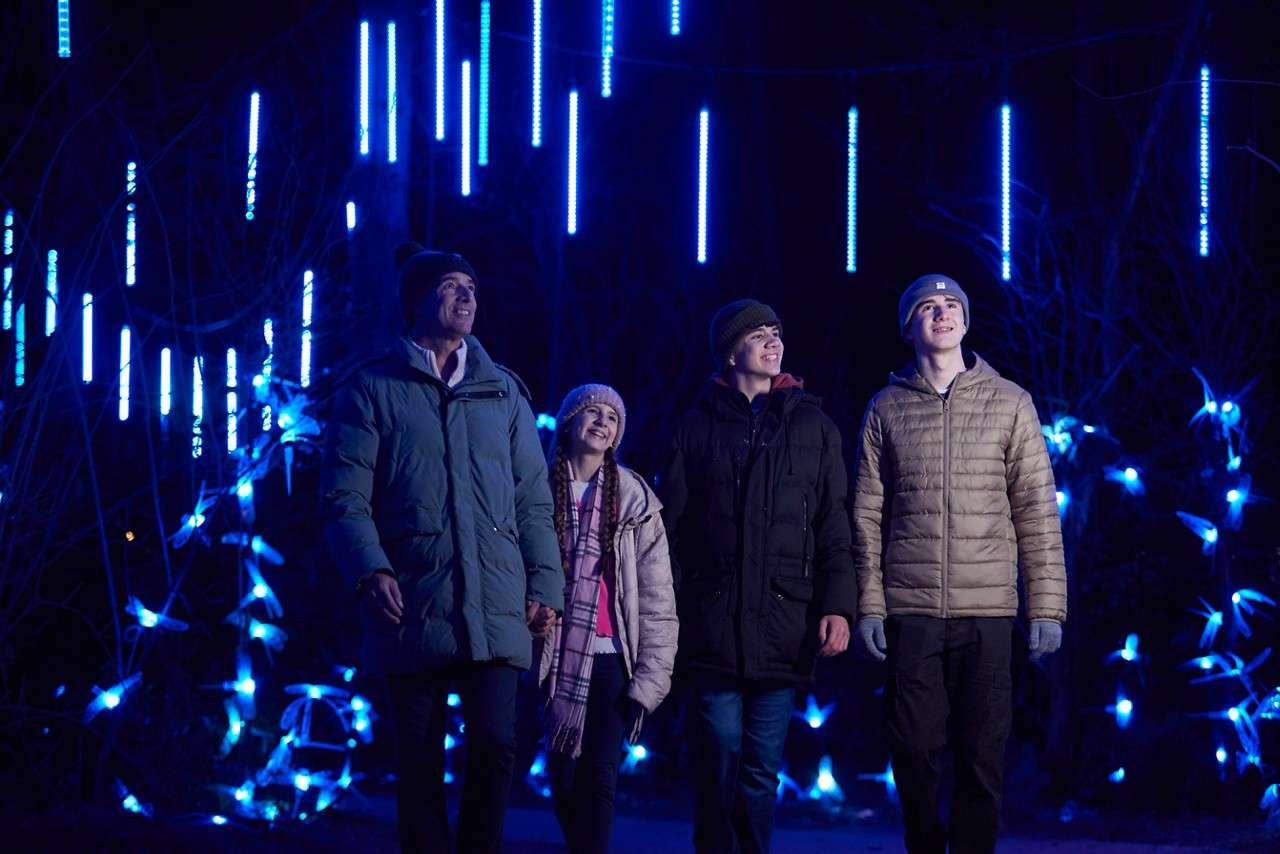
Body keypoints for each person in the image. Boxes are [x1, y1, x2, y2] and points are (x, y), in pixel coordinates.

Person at [320, 242, 563, 854]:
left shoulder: (504, 392)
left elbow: (534, 500)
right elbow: (344, 497)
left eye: (472, 288)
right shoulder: (372, 389)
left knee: (495, 744)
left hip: (498, 598)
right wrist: (370, 569)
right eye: (451, 286)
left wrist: (546, 587)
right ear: (418, 301)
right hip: (414, 601)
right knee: (419, 761)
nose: (466, 297)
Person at [851, 274, 1068, 854]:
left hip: (989, 610)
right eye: (927, 306)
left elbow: (1037, 511)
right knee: (912, 747)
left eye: (952, 305)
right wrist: (869, 604)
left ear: (966, 322)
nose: (942, 313)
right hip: (911, 608)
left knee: (982, 753)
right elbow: (865, 517)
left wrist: (1046, 605)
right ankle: (925, 843)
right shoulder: (886, 408)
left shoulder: (1011, 402)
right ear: (909, 328)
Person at [657, 298, 857, 854]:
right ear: (730, 350)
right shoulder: (693, 428)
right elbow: (668, 529)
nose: (774, 342)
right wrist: (669, 612)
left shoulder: (814, 425)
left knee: (762, 767)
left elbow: (833, 524)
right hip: (711, 620)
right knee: (717, 750)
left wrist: (838, 606)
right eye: (759, 334)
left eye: (777, 332)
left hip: (785, 623)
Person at [537, 383, 679, 854]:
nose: (602, 422)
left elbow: (658, 595)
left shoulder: (636, 498)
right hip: (550, 652)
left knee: (599, 776)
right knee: (562, 772)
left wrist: (651, 673)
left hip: (613, 656)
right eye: (592, 412)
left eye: (612, 417)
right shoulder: (536, 489)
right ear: (569, 421)